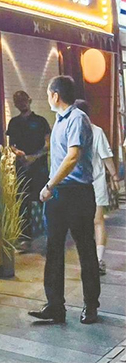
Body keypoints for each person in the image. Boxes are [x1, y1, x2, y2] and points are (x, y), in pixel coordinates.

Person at [28, 76, 100, 325]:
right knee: (54, 249)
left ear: (55, 95)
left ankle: (91, 305)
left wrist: (49, 185)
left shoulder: (77, 118)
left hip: (77, 193)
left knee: (85, 249)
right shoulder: (58, 121)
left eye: (48, 94)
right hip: (59, 195)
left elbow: (72, 157)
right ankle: (55, 306)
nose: (48, 98)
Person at [74, 100, 120, 276]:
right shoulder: (94, 131)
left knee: (91, 221)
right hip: (89, 183)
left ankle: (95, 260)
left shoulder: (80, 131)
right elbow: (106, 157)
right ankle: (95, 260)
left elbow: (106, 156)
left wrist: (114, 176)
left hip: (85, 183)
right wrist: (114, 176)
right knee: (95, 221)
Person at [6, 90, 51, 250]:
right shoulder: (13, 123)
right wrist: (17, 153)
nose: (21, 103)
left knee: (44, 200)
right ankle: (25, 239)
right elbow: (11, 145)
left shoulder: (40, 121)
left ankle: (52, 235)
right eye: (17, 101)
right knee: (23, 203)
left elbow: (48, 144)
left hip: (39, 169)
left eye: (23, 100)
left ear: (29, 100)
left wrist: (34, 157)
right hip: (22, 168)